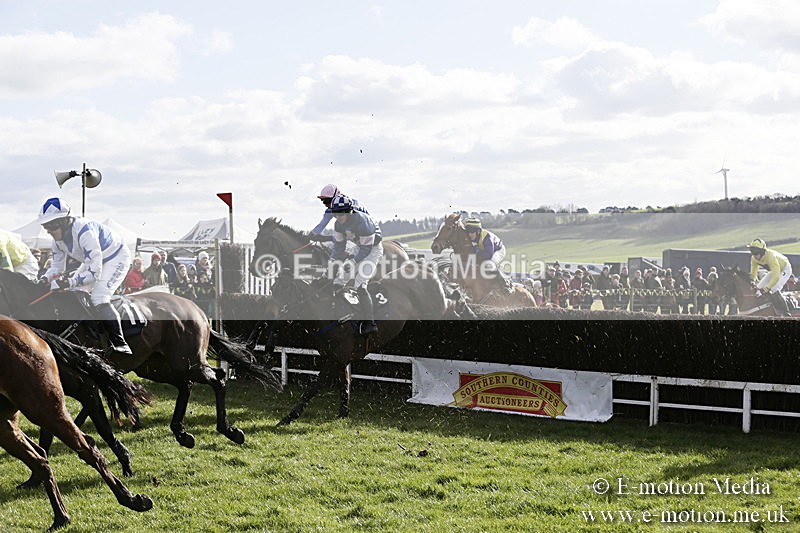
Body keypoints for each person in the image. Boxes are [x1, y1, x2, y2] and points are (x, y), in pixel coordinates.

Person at [38, 196, 133, 356]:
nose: (49, 230)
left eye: (52, 225)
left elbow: (94, 273)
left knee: (99, 297)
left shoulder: (84, 231)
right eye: (45, 226)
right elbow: (57, 267)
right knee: (75, 292)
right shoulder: (56, 241)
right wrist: (45, 279)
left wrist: (68, 282)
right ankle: (93, 333)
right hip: (94, 261)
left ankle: (120, 343)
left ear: (64, 221)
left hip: (116, 257)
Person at [329, 194, 382, 335]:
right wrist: (333, 260)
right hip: (359, 247)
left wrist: (353, 262)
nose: (338, 217)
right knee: (339, 280)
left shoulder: (363, 222)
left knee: (360, 284)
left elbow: (367, 249)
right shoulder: (338, 224)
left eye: (341, 214)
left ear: (349, 212)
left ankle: (370, 323)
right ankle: (340, 310)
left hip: (373, 249)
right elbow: (339, 245)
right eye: (335, 214)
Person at [748, 238, 792, 316]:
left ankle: (786, 312)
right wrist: (753, 281)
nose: (754, 256)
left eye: (756, 253)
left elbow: (776, 277)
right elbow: (753, 273)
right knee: (758, 288)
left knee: (774, 288)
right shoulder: (753, 258)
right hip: (774, 270)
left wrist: (767, 288)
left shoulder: (771, 257)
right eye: (752, 252)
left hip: (785, 268)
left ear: (762, 252)